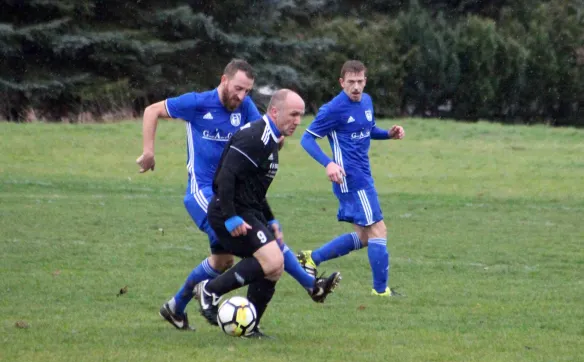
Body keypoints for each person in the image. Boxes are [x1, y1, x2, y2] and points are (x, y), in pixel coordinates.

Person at [136, 60, 337, 331]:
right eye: (238, 88)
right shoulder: (197, 103)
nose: (241, 96)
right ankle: (309, 285)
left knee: (223, 261)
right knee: (262, 244)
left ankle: (175, 307)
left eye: (247, 91)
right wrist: (149, 151)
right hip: (204, 192)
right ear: (224, 80)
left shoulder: (244, 108)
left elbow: (266, 131)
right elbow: (151, 111)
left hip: (234, 193)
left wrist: (280, 134)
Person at [197, 89, 342, 338]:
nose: (298, 121)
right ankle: (209, 290)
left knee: (273, 268)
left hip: (248, 211)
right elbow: (225, 177)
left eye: (301, 115)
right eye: (293, 114)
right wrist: (231, 216)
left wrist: (271, 218)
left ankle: (250, 327)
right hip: (227, 212)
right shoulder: (255, 137)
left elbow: (255, 189)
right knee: (273, 260)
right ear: (274, 112)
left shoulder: (272, 141)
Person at [296, 60, 405, 297]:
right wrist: (329, 163)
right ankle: (380, 291)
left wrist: (388, 134)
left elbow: (368, 129)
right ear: (341, 82)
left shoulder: (366, 101)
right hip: (351, 179)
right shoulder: (333, 109)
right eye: (350, 82)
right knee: (378, 231)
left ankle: (311, 259)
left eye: (360, 81)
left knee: (365, 237)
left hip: (364, 175)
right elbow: (307, 139)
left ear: (365, 81)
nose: (356, 87)